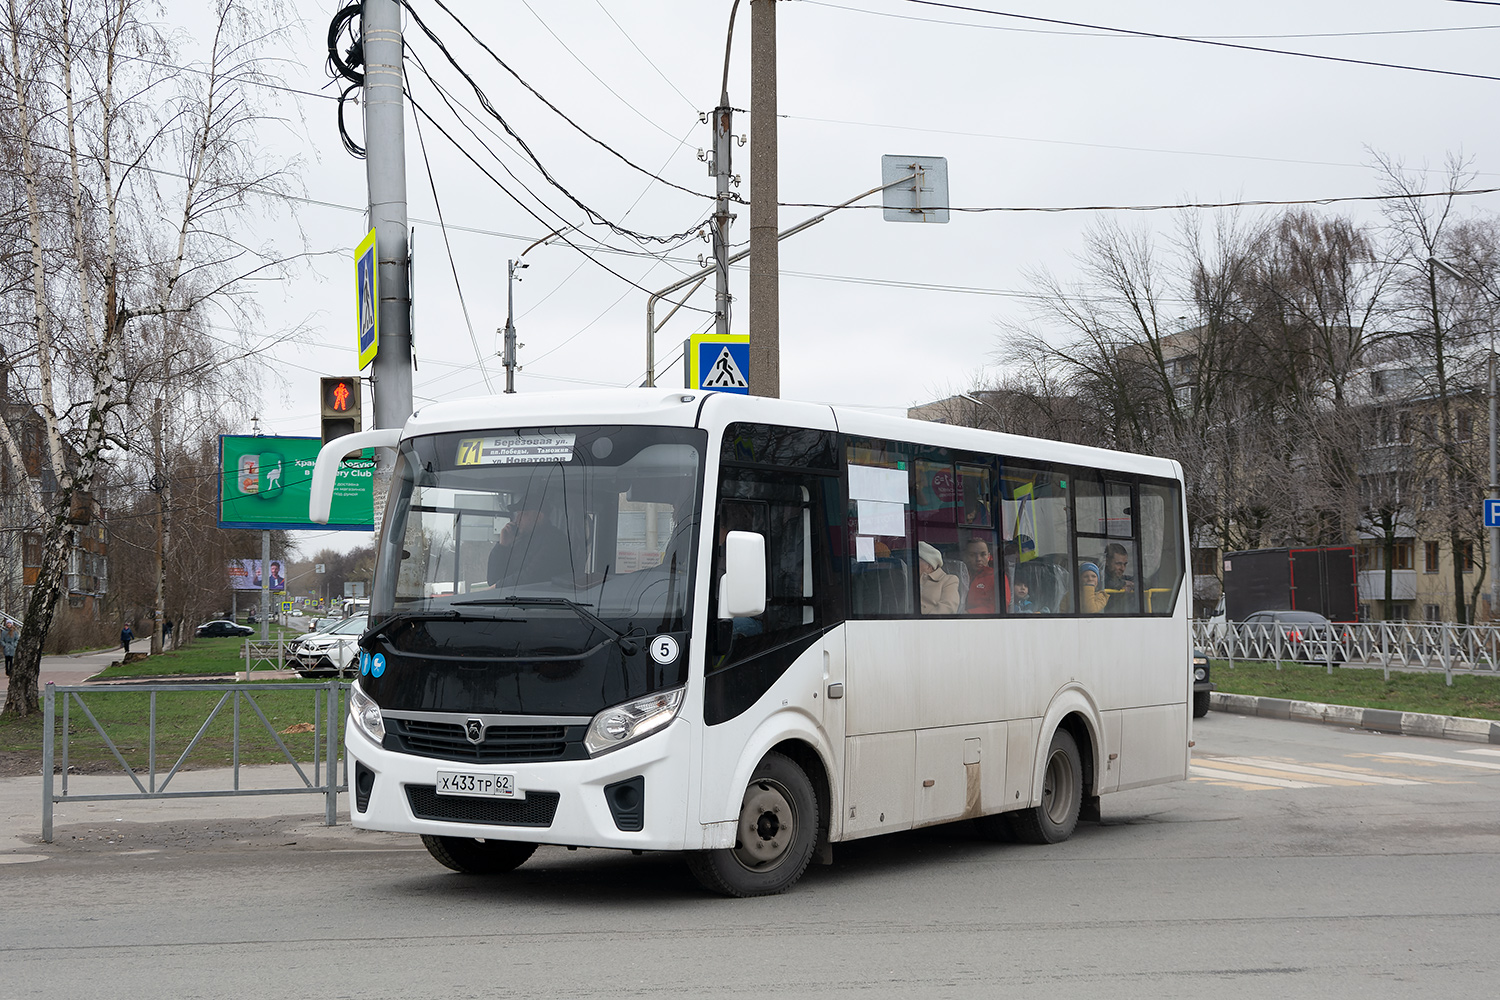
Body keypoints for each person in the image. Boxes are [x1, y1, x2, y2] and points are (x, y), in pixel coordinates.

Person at [487, 496, 573, 587]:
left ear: (539, 517)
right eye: (517, 514)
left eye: (523, 514)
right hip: (514, 598)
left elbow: (533, 575)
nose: (517, 519)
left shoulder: (555, 540)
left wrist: (499, 586)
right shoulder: (519, 540)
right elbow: (493, 580)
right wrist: (502, 546)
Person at [962, 537, 1003, 614]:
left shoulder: (997, 577)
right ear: (966, 557)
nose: (978, 559)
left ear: (988, 557)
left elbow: (997, 607)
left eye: (983, 554)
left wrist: (969, 613)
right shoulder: (960, 576)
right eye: (972, 555)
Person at [918, 541, 960, 615]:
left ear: (929, 566)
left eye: (916, 561)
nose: (911, 565)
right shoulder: (908, 579)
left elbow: (948, 607)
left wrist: (925, 622)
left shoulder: (949, 580)